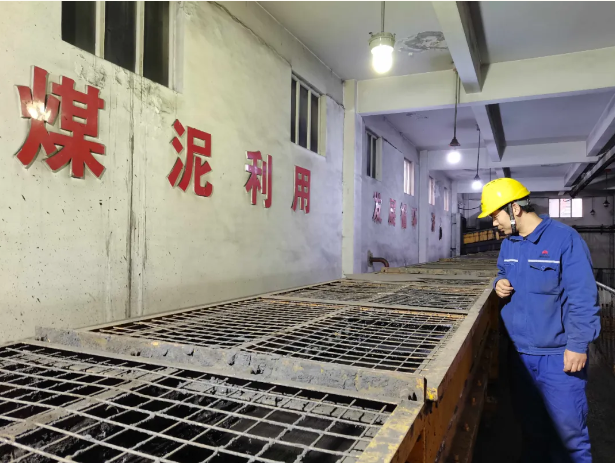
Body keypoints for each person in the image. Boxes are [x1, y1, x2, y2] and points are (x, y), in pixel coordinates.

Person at [477, 178, 600, 463]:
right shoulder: (509, 244)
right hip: (520, 356)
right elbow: (501, 271)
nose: (494, 223)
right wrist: (499, 282)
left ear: (514, 209)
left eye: (495, 216)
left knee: (569, 440)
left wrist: (578, 345)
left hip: (558, 359)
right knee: (531, 431)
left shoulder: (564, 239)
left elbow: (583, 296)